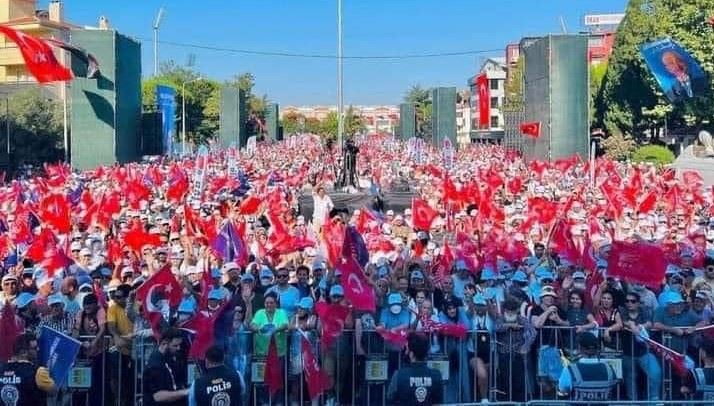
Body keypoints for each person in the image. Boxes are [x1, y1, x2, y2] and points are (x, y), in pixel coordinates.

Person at [557, 332, 617, 402]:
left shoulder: (570, 369)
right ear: (597, 348)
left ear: (580, 348)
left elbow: (562, 390)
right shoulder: (609, 368)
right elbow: (614, 386)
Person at [386, 332, 443, 405]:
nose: (405, 351)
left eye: (407, 349)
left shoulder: (398, 375)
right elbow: (438, 400)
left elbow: (390, 398)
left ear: (411, 354)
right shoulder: (437, 375)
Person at [0, 332, 56, 406]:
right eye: (35, 348)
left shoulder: (1, 369)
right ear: (23, 352)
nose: (38, 349)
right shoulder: (39, 372)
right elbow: (53, 392)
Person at [143, 328, 190, 406]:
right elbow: (158, 396)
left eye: (179, 345)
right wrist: (185, 392)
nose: (178, 348)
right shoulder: (155, 364)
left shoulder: (171, 357)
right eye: (175, 345)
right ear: (164, 343)